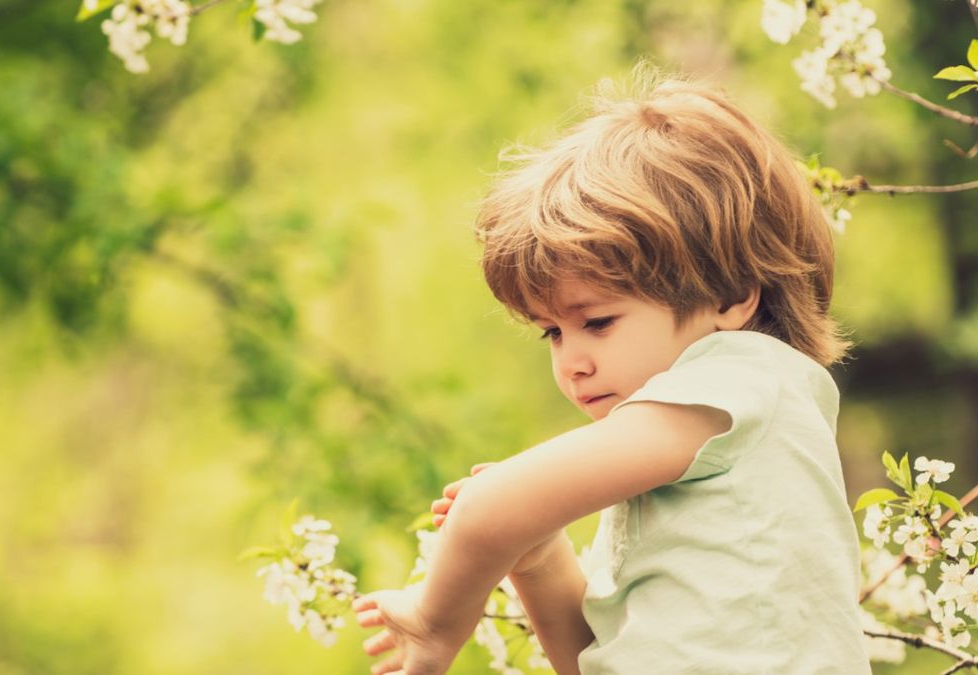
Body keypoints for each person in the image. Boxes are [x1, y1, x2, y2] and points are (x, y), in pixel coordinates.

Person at [352, 67, 871, 674]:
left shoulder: (740, 380)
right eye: (552, 332)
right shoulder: (688, 460)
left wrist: (434, 621)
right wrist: (540, 560)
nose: (572, 363)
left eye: (597, 322)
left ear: (731, 297)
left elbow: (490, 509)